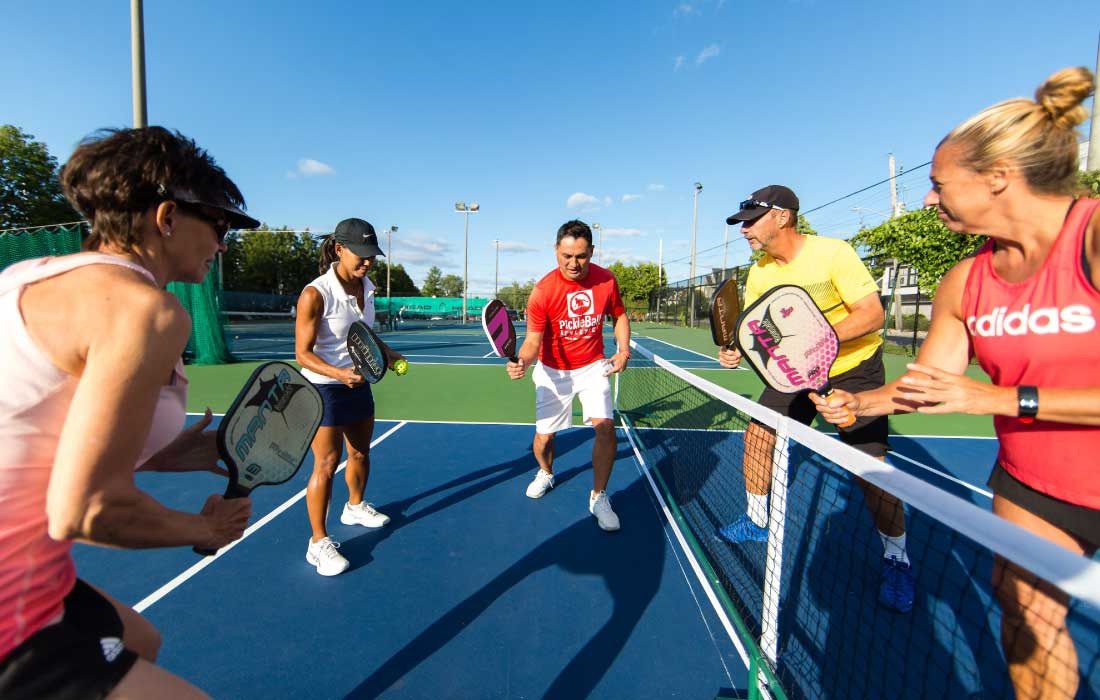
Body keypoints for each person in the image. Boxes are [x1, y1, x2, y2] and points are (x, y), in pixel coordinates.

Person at [813, 67, 1099, 699]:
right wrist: (861, 402)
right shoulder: (966, 280)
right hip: (1036, 485)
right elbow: (932, 382)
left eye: (939, 184)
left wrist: (1003, 399)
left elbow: (979, 395)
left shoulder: (1094, 237)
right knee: (1027, 622)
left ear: (997, 178)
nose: (927, 199)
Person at [0, 126, 256, 699]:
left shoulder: (29, 277)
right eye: (218, 226)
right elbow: (87, 510)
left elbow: (32, 426)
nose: (222, 244)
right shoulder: (147, 311)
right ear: (167, 218)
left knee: (140, 638)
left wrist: (162, 453)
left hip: (41, 575)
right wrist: (205, 528)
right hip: (9, 608)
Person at [717, 184, 916, 613]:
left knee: (868, 469)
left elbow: (872, 313)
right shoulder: (761, 272)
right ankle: (756, 518)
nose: (745, 230)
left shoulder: (834, 253)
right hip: (794, 374)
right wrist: (738, 347)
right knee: (758, 435)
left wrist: (816, 341)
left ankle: (897, 556)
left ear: (783, 217)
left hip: (853, 369)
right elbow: (760, 333)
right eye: (742, 223)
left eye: (752, 221)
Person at [295, 218, 406, 576]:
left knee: (360, 452)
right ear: (340, 249)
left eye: (372, 255)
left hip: (359, 384)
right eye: (361, 254)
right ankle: (318, 543)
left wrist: (388, 353)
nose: (368, 261)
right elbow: (302, 354)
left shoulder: (367, 286)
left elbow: (365, 335)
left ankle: (354, 506)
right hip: (323, 388)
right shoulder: (316, 293)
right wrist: (339, 373)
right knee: (326, 464)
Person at [505, 220, 631, 531]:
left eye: (581, 256)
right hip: (553, 370)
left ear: (591, 252)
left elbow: (619, 315)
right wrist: (522, 359)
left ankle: (599, 496)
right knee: (545, 437)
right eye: (566, 256)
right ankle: (546, 472)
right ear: (556, 251)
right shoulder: (543, 291)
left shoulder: (606, 280)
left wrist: (623, 350)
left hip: (592, 366)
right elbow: (534, 339)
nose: (573, 263)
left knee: (605, 428)